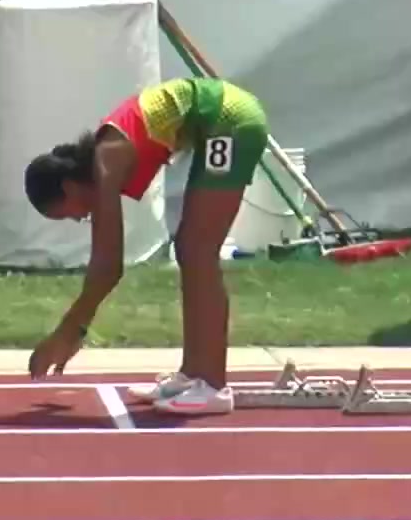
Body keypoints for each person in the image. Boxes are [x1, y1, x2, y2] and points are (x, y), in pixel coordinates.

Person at [22, 77, 271, 416]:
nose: (80, 220)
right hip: (219, 121)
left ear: (69, 186)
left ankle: (212, 384)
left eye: (69, 215)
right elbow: (106, 264)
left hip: (231, 119)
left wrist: (68, 330)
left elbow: (108, 265)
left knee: (198, 250)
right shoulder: (104, 157)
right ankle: (194, 374)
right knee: (189, 248)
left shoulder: (106, 162)